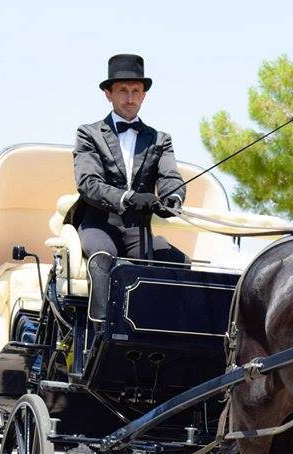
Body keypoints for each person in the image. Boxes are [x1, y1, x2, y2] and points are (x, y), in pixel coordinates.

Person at [70, 53, 187, 321]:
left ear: (144, 95)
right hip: (98, 223)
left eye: (136, 91)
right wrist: (128, 197)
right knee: (103, 259)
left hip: (137, 229)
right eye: (123, 91)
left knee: (178, 262)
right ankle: (99, 336)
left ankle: (164, 331)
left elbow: (171, 177)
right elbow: (88, 184)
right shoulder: (88, 133)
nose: (130, 98)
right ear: (108, 94)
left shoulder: (159, 139)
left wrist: (172, 200)